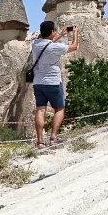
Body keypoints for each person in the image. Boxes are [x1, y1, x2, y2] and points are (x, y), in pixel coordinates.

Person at [30, 20, 79, 148]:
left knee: (40, 110)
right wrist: (75, 33)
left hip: (38, 82)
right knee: (59, 108)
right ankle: (53, 137)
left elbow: (47, 43)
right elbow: (74, 47)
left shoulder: (35, 44)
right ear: (52, 31)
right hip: (53, 82)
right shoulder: (56, 47)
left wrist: (60, 35)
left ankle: (40, 141)